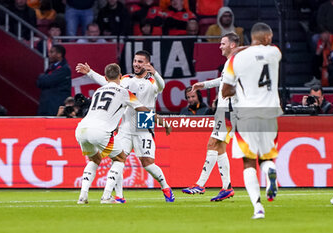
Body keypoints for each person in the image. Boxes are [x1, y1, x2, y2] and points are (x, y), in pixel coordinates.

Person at [76, 50, 175, 203]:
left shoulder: (152, 80)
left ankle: (166, 187)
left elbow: (162, 86)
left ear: (148, 64)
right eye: (135, 61)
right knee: (118, 159)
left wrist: (155, 74)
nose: (136, 64)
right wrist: (90, 73)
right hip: (126, 125)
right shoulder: (126, 79)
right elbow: (109, 82)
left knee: (148, 163)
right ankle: (119, 195)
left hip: (144, 123)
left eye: (140, 62)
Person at [222, 22, 283, 219]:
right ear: (267, 38)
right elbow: (263, 49)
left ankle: (258, 207)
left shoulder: (236, 60)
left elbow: (225, 91)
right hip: (270, 113)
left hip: (247, 113)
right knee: (266, 158)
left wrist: (237, 88)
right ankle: (271, 170)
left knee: (248, 163)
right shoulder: (275, 53)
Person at [182, 32, 240, 201]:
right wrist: (204, 85)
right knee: (220, 149)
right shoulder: (230, 63)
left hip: (228, 110)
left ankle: (200, 184)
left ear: (232, 45)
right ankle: (227, 187)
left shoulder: (235, 63)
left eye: (223, 43)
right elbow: (223, 81)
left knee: (212, 143)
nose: (220, 46)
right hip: (225, 110)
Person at [37, 44, 71, 116]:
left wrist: (42, 77)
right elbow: (39, 83)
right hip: (45, 105)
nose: (49, 54)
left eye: (52, 52)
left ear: (59, 54)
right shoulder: (52, 67)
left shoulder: (64, 69)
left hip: (55, 106)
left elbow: (47, 81)